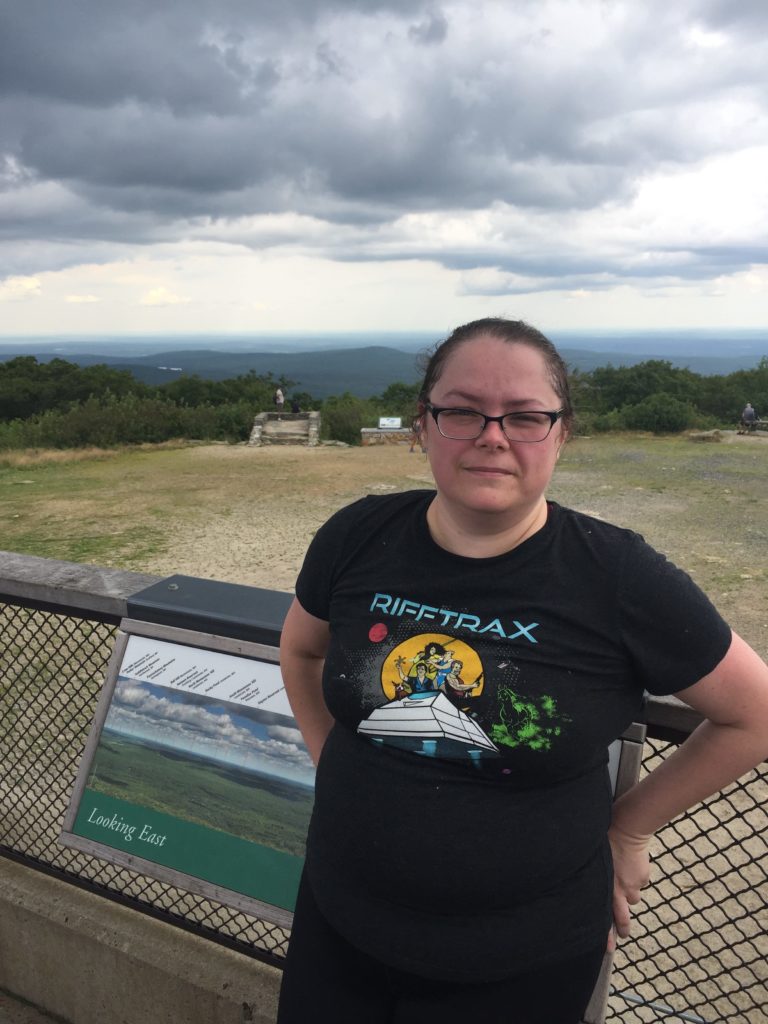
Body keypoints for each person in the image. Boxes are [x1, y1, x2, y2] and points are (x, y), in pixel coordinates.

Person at [278, 317, 768, 1024]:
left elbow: (752, 713)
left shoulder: (618, 575)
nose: (492, 434)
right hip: (338, 922)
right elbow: (301, 649)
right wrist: (331, 755)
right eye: (461, 411)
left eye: (526, 416)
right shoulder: (357, 536)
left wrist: (631, 828)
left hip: (519, 963)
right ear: (423, 425)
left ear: (562, 431)